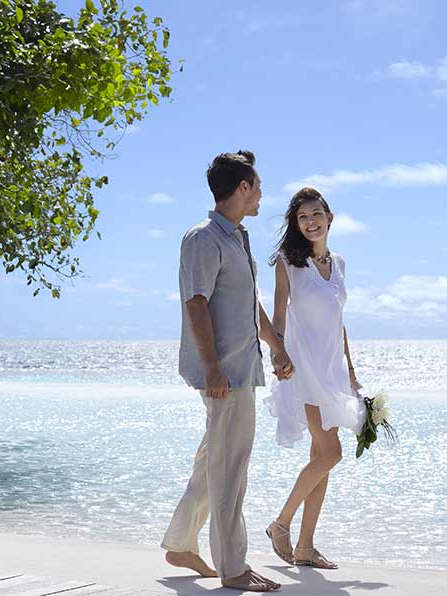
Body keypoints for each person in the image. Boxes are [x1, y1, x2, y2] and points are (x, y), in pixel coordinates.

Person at [160, 150, 295, 592]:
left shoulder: (238, 237)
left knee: (212, 462)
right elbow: (195, 302)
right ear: (242, 188)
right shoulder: (203, 238)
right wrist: (214, 369)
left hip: (242, 367)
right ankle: (233, 567)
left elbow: (247, 304)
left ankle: (181, 542)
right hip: (224, 375)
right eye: (257, 186)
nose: (261, 195)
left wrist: (275, 347)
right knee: (230, 470)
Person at [262, 186, 366, 570]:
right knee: (331, 454)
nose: (310, 221)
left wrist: (352, 372)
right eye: (302, 217)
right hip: (303, 367)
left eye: (315, 214)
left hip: (333, 370)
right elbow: (277, 316)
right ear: (296, 222)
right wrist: (278, 352)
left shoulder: (338, 263)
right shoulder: (287, 263)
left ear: (329, 217)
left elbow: (339, 324)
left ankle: (305, 547)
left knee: (321, 457)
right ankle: (280, 524)